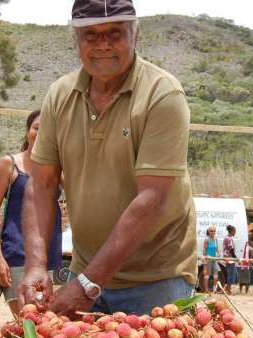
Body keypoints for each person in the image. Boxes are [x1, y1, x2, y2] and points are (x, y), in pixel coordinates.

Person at [19, 0, 197, 317]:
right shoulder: (60, 95)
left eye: (115, 33)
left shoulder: (162, 94)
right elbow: (41, 184)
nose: (102, 44)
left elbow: (152, 198)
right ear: (76, 40)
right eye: (91, 35)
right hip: (84, 270)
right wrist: (35, 265)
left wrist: (88, 284)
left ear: (136, 35)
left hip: (155, 280)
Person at [0, 110, 62, 317]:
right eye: (37, 127)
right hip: (17, 256)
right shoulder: (9, 164)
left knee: (50, 325)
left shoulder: (59, 169)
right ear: (28, 131)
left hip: (52, 257)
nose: (41, 133)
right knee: (28, 323)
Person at [203, 225, 219, 294]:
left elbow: (217, 249)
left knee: (216, 274)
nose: (213, 232)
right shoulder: (207, 240)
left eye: (214, 231)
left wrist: (218, 254)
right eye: (211, 231)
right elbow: (204, 250)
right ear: (208, 232)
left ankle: (214, 289)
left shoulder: (216, 239)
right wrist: (205, 263)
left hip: (214, 259)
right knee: (207, 275)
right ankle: (206, 290)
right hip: (208, 259)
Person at [223, 225, 237, 295]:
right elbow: (231, 249)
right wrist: (235, 258)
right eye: (234, 231)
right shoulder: (229, 238)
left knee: (230, 274)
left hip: (228, 258)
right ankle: (228, 290)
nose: (235, 233)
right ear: (232, 231)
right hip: (229, 258)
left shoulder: (226, 237)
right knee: (231, 274)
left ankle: (227, 288)